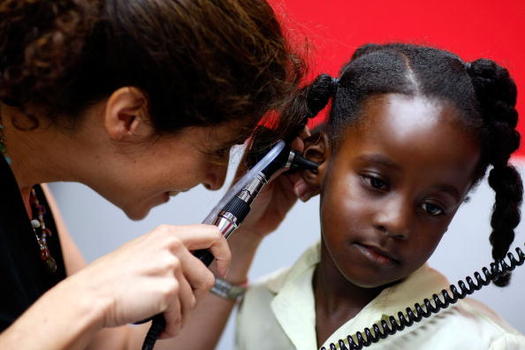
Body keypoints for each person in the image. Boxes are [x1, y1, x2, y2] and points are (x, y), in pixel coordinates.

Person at [0, 0, 308, 349]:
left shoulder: (30, 194)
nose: (215, 180)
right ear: (128, 117)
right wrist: (93, 295)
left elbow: (123, 348)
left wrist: (241, 235)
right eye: (217, 150)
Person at [235, 43, 525, 349]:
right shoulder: (259, 305)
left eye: (432, 207)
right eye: (376, 182)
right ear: (317, 159)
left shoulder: (486, 344)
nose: (396, 222)